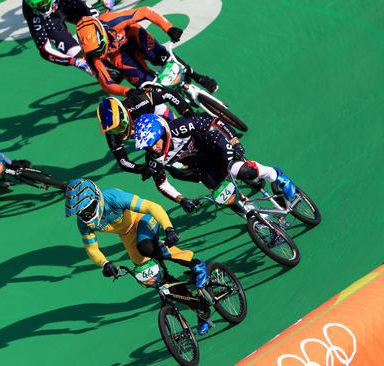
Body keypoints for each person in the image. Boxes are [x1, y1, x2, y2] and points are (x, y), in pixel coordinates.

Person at [64, 178, 213, 335]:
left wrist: (169, 228)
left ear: (97, 197)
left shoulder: (113, 197)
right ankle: (200, 309)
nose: (86, 215)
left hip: (142, 219)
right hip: (126, 236)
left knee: (146, 247)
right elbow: (92, 249)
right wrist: (105, 263)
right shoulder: (84, 223)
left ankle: (195, 263)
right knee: (154, 278)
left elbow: (151, 207)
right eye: (81, 212)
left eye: (88, 209)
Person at [133, 113, 296, 213]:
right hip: (201, 163)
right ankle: (265, 224)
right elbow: (162, 184)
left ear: (163, 132)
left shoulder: (179, 127)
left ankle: (277, 176)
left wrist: (235, 142)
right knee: (228, 198)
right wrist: (181, 199)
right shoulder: (153, 160)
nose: (153, 148)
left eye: (155, 142)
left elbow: (214, 122)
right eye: (148, 146)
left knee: (242, 171)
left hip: (213, 144)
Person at [76, 7, 218, 96]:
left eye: (100, 50)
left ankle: (198, 77)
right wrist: (127, 92)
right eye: (95, 53)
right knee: (149, 87)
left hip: (134, 36)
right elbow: (107, 84)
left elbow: (145, 11)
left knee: (162, 57)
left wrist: (168, 28)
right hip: (120, 56)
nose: (99, 55)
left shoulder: (112, 20)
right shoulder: (90, 55)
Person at [96, 90, 194, 179]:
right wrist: (141, 169)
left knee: (182, 132)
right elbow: (123, 162)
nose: (119, 132)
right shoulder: (111, 131)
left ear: (124, 115)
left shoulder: (137, 102)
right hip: (144, 131)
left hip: (157, 114)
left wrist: (188, 113)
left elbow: (169, 94)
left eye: (119, 126)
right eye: (114, 130)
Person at [22, 0, 114, 75]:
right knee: (76, 53)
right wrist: (73, 61)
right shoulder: (32, 15)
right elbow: (45, 50)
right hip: (49, 21)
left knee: (100, 21)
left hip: (65, 3)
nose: (44, 7)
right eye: (39, 5)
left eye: (45, 2)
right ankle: (104, 74)